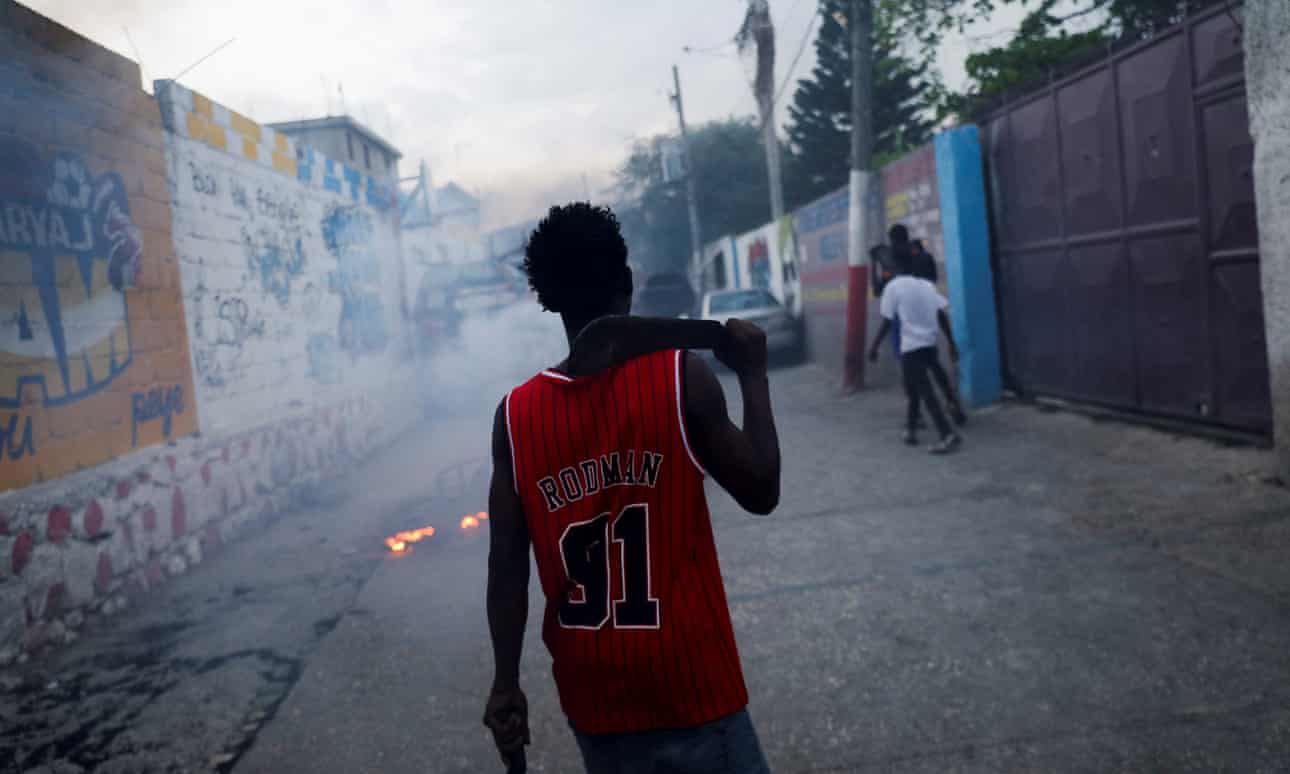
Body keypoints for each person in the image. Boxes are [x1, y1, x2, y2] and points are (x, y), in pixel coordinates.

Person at [483, 202, 780, 773]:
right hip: (690, 684)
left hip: (593, 694)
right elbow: (762, 490)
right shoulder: (678, 377)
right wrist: (753, 374)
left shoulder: (516, 416)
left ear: (545, 299)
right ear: (627, 283)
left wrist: (504, 683)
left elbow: (505, 567)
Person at [868, 260, 963, 454]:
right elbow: (941, 315)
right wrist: (951, 342)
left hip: (911, 348)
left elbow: (887, 320)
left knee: (925, 393)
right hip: (929, 344)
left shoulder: (893, 287)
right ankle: (911, 430)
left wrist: (874, 347)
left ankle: (947, 434)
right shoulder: (926, 286)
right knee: (913, 390)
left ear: (894, 270)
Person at [887, 225, 966, 427]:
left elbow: (884, 290)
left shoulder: (895, 258)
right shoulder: (921, 254)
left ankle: (921, 418)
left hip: (908, 318)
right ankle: (951, 402)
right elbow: (935, 294)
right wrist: (950, 339)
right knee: (935, 366)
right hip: (929, 309)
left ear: (892, 240)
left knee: (913, 373)